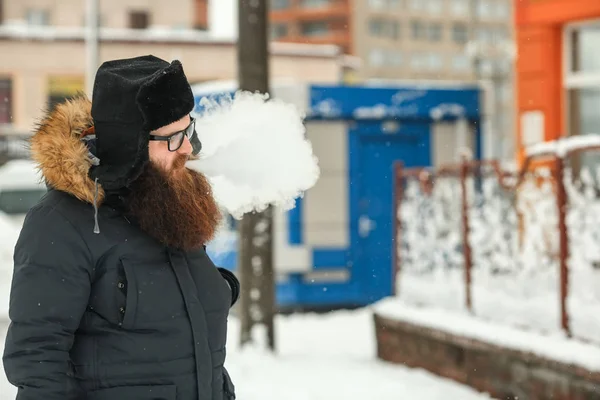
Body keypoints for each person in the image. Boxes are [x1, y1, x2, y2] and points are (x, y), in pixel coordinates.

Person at [2, 55, 240, 400]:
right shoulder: (63, 223)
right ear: (131, 144)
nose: (187, 148)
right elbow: (38, 358)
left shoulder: (171, 204)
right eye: (172, 137)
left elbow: (191, 343)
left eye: (188, 130)